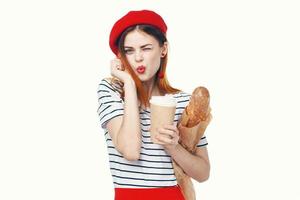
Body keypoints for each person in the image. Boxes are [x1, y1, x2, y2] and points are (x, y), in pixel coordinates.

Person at [97, 10, 210, 200]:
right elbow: (130, 150)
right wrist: (130, 84)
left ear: (163, 49)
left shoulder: (182, 101)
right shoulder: (112, 90)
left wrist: (173, 147)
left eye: (146, 48)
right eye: (129, 51)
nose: (138, 58)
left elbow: (203, 173)